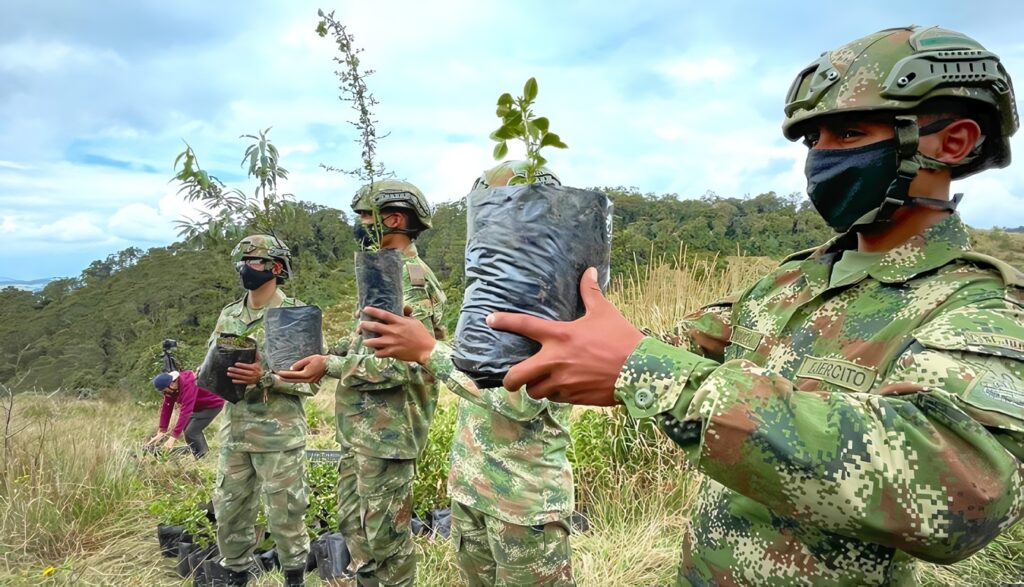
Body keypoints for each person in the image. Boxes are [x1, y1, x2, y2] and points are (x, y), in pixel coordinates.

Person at [362, 27, 1024, 585]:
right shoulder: (784, 289)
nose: (821, 159)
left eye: (847, 134)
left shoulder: (972, 308)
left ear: (953, 141)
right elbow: (647, 347)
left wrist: (642, 371)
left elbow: (955, 493)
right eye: (812, 143)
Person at [365, 162, 577, 585]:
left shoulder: (559, 299)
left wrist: (427, 351)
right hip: (472, 492)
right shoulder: (490, 293)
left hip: (525, 506)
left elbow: (518, 400)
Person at [279, 180, 446, 586]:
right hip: (360, 433)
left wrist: (330, 366)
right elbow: (366, 343)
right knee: (355, 530)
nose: (359, 224)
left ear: (393, 218)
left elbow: (405, 365)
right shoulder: (380, 274)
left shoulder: (412, 280)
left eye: (364, 216)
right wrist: (321, 351)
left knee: (387, 541)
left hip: (389, 436)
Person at [210, 234, 316, 587]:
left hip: (279, 437)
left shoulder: (294, 317)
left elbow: (311, 382)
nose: (246, 268)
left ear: (275, 268)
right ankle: (236, 574)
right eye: (242, 261)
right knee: (230, 513)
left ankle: (294, 577)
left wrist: (265, 377)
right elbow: (211, 363)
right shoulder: (229, 314)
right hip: (236, 435)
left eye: (254, 261)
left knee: (286, 517)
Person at [146, 369, 224, 458]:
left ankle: (203, 457)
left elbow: (186, 411)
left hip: (212, 404)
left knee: (191, 432)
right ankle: (197, 451)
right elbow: (167, 407)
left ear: (171, 384)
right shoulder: (171, 388)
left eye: (164, 390)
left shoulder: (188, 384)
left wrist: (173, 438)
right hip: (198, 406)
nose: (164, 393)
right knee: (187, 428)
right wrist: (162, 430)